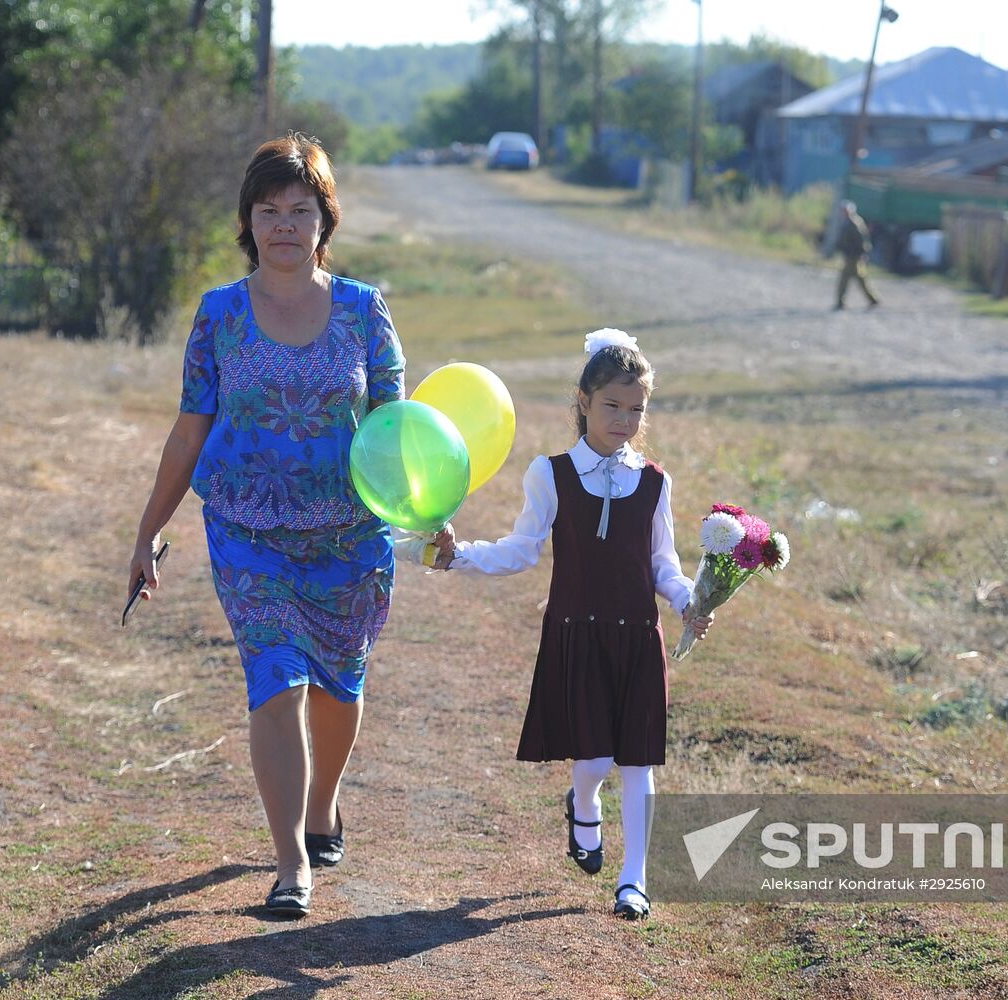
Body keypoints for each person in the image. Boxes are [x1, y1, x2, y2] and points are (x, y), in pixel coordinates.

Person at [126, 134, 451, 919]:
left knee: (338, 688)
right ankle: (290, 864)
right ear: (248, 220)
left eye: (298, 210)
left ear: (322, 220)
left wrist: (432, 515)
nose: (282, 224)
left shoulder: (366, 311)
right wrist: (147, 533)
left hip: (350, 539)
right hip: (248, 533)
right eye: (267, 210)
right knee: (277, 683)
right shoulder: (219, 316)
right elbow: (188, 431)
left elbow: (395, 429)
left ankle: (322, 805)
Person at [443, 329, 713, 921]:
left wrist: (690, 598)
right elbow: (521, 550)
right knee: (592, 759)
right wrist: (458, 555)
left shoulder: (655, 481)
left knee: (638, 762)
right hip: (579, 631)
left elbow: (661, 562)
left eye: (636, 409)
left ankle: (634, 879)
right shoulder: (552, 474)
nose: (624, 419)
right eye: (612, 405)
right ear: (584, 401)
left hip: (638, 634)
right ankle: (584, 804)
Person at [831, 200, 880, 310]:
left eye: (845, 210)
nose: (843, 212)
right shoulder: (848, 222)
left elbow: (861, 241)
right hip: (850, 256)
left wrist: (862, 253)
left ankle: (840, 302)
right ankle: (873, 300)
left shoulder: (854, 223)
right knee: (861, 278)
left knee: (845, 278)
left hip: (853, 256)